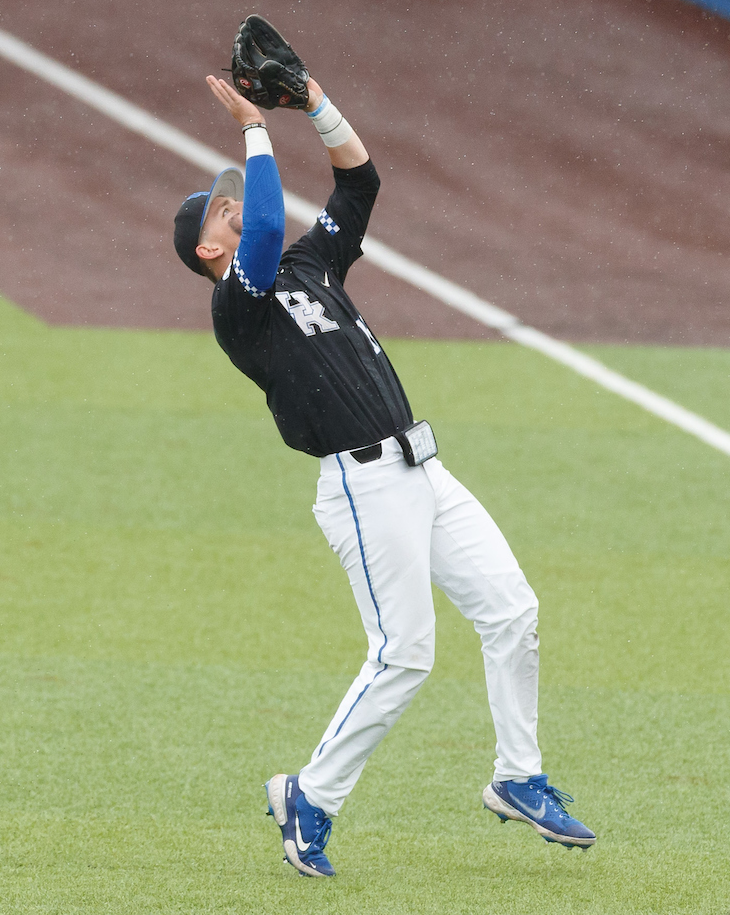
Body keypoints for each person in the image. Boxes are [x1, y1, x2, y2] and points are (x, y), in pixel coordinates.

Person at [173, 54, 597, 878]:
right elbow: (260, 230)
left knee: (512, 612)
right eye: (223, 205)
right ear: (205, 246)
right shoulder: (239, 302)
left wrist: (315, 106)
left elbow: (359, 187)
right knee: (403, 654)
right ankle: (311, 798)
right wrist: (256, 132)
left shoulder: (308, 267)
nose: (242, 204)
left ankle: (518, 777)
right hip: (362, 487)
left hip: (420, 471)